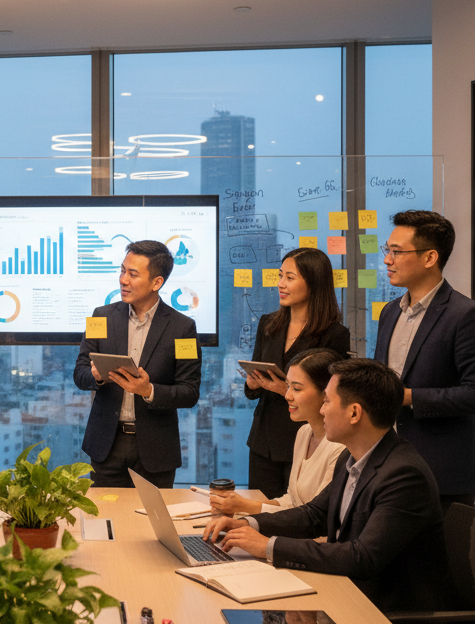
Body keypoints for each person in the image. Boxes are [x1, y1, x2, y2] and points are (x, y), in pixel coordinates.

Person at [203, 359, 453, 614]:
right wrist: (248, 525)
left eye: (327, 402)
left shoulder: (404, 475)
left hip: (384, 610)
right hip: (346, 591)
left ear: (354, 413)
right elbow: (315, 515)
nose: (321, 411)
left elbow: (362, 557)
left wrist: (268, 546)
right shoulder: (352, 456)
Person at [375, 210, 475, 510]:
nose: (387, 260)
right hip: (387, 465)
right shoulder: (390, 312)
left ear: (430, 258)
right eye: (387, 250)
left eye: (397, 252)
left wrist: (408, 397)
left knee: (442, 558)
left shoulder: (467, 315)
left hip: (442, 472)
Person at [73, 239, 202, 489]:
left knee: (150, 525)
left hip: (156, 448)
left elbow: (189, 392)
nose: (123, 280)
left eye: (133, 274)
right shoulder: (101, 316)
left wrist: (148, 391)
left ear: (157, 282)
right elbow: (79, 373)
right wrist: (97, 376)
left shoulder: (182, 328)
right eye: (122, 271)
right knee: (107, 520)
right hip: (106, 444)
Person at [243, 248, 351, 497]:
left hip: (307, 440)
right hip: (263, 441)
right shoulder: (268, 324)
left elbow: (332, 396)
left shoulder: (334, 334)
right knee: (259, 514)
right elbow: (252, 391)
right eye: (280, 276)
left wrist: (285, 389)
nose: (281, 284)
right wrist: (253, 383)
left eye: (290, 278)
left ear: (313, 283)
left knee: (298, 514)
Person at [211, 347, 345, 517]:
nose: (287, 395)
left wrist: (246, 507)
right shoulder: (304, 433)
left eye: (296, 389)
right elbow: (292, 501)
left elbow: (316, 518)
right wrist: (241, 505)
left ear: (327, 392)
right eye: (288, 386)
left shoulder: (340, 448)